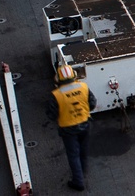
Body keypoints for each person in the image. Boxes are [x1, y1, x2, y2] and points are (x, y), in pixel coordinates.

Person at [47, 64, 96, 192]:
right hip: (85, 124)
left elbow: (51, 115)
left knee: (73, 155)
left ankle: (78, 181)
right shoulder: (83, 87)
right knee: (83, 151)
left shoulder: (56, 95)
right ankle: (82, 171)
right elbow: (92, 103)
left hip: (68, 129)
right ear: (74, 76)